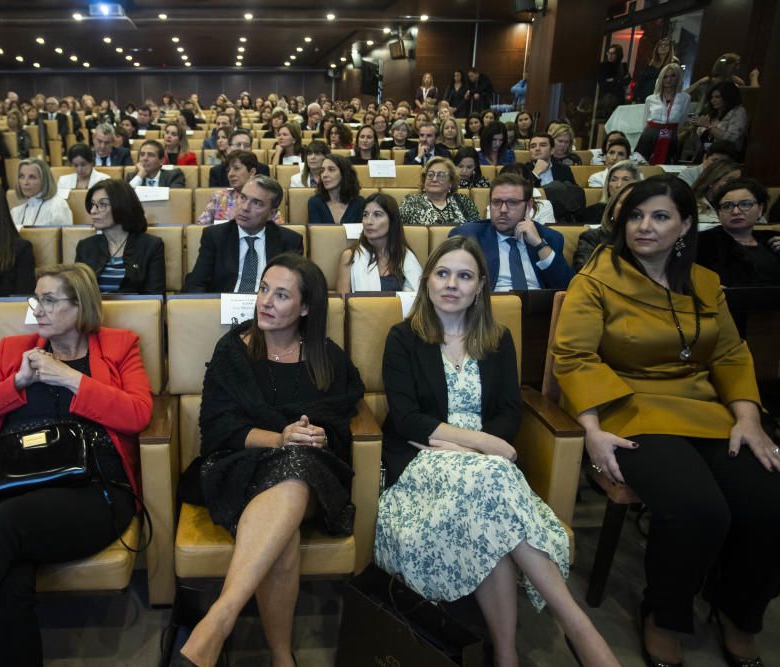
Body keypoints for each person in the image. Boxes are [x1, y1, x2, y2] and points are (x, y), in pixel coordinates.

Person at [552, 175, 780, 667]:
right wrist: (590, 430)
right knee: (700, 509)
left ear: (686, 225)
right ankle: (664, 616)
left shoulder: (704, 282)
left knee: (768, 501)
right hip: (630, 408)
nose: (644, 227)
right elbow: (574, 359)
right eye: (635, 215)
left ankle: (739, 615)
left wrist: (748, 417)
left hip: (703, 407)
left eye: (659, 217)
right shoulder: (597, 278)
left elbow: (730, 354)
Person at [374, 236, 620, 667]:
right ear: (428, 279)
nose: (452, 284)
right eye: (443, 273)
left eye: (465, 276)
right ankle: (576, 628)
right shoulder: (403, 338)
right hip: (422, 469)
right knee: (494, 484)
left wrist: (470, 446)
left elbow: (509, 410)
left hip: (484, 471)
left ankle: (507, 656)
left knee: (490, 505)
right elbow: (407, 419)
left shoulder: (498, 339)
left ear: (480, 286)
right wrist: (486, 444)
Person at [0, 263, 151, 667]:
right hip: (7, 478)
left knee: (2, 527)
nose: (39, 308)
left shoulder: (120, 345)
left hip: (90, 487)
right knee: (4, 575)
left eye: (50, 300)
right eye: (36, 299)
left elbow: (139, 414)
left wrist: (70, 378)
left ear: (81, 304)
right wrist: (16, 383)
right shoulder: (13, 350)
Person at [175, 253, 363, 667]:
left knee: (296, 467)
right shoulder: (233, 350)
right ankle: (282, 657)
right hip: (238, 465)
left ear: (306, 307)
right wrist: (279, 437)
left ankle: (217, 621)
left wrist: (316, 434)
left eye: (281, 295)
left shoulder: (326, 357)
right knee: (284, 533)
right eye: (263, 290)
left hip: (310, 472)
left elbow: (339, 420)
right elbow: (217, 429)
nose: (266, 302)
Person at [450, 173, 573, 291]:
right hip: (491, 307)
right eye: (497, 202)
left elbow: (568, 287)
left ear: (529, 205)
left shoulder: (549, 237)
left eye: (512, 203)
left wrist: (539, 244)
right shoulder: (469, 236)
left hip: (539, 308)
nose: (503, 210)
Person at [183, 176, 303, 293]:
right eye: (243, 198)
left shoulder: (289, 241)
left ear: (272, 213)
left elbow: (294, 289)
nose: (245, 208)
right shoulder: (215, 236)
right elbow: (197, 283)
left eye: (257, 203)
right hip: (224, 308)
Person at [74, 179, 166, 294]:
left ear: (122, 206)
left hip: (136, 310)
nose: (93, 211)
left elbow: (155, 297)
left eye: (102, 204)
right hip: (94, 311)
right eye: (92, 204)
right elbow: (78, 293)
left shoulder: (151, 245)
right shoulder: (85, 247)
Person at [697, 178, 780, 286]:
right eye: (727, 206)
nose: (736, 211)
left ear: (760, 209)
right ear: (718, 213)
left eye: (745, 204)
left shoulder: (773, 239)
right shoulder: (703, 241)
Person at [336, 193, 421, 293]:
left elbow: (419, 297)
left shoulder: (405, 256)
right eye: (365, 215)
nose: (368, 221)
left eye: (377, 215)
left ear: (392, 220)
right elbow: (343, 304)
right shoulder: (350, 257)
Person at [198, 151, 284, 225]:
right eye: (228, 170)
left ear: (252, 172)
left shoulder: (263, 197)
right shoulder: (219, 196)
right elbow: (200, 226)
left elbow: (279, 230)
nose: (230, 174)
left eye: (236, 168)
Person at [573, 180, 638, 271]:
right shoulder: (593, 238)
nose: (628, 208)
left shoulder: (653, 240)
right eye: (625, 202)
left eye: (636, 203)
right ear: (612, 208)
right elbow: (584, 273)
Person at [636, 63, 690, 165]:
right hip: (650, 135)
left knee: (667, 164)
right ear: (661, 79)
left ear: (678, 77)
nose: (668, 80)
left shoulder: (685, 98)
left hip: (671, 135)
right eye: (665, 77)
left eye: (672, 76)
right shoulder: (651, 98)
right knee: (643, 163)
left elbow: (682, 120)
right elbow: (645, 122)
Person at [400, 157, 479, 226]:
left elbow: (476, 229)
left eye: (441, 175)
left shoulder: (464, 201)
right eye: (430, 175)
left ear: (450, 182)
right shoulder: (410, 202)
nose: (434, 179)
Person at [11, 157, 73, 229]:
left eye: (32, 177)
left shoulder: (57, 206)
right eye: (21, 176)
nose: (25, 182)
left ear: (44, 180)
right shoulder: (16, 212)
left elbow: (66, 238)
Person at [694, 81, 748, 158]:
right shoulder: (712, 112)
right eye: (711, 97)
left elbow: (731, 139)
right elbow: (701, 133)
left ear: (728, 97)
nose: (713, 100)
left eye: (717, 97)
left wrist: (709, 126)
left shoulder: (738, 112)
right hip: (705, 153)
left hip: (725, 158)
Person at [580, 159, 642, 225]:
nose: (619, 185)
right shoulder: (593, 212)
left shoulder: (642, 211)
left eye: (625, 180)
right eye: (614, 180)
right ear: (607, 184)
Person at [307, 155, 364, 225]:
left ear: (344, 174)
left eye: (331, 169)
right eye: (322, 171)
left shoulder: (360, 203)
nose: (324, 175)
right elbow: (315, 233)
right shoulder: (315, 202)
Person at [692, 159, 742, 223]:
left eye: (738, 181)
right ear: (712, 180)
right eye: (730, 180)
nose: (735, 185)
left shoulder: (738, 205)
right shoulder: (692, 203)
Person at [634, 38, 676, 102]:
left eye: (666, 45)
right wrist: (635, 97)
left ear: (670, 48)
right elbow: (641, 81)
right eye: (660, 45)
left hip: (659, 99)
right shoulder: (651, 63)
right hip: (643, 98)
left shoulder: (672, 64)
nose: (663, 46)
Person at [598, 43, 631, 116]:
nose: (610, 55)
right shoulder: (603, 66)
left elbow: (627, 81)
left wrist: (614, 80)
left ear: (618, 55)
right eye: (608, 53)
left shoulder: (622, 66)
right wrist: (619, 80)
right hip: (605, 98)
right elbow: (602, 82)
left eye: (613, 53)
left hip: (619, 98)